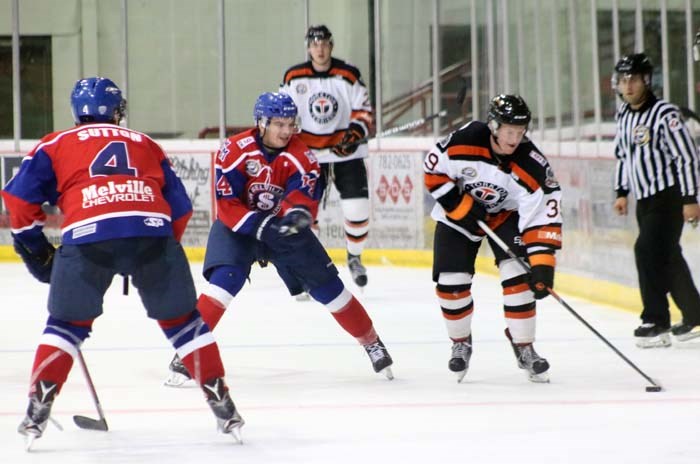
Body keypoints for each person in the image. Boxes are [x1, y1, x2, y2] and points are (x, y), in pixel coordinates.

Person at [1, 77, 244, 449]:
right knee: (186, 325)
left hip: (88, 239)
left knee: (66, 325)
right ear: (117, 111)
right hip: (152, 234)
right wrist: (159, 252)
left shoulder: (56, 143)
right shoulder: (146, 143)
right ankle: (223, 405)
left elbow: (19, 202)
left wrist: (35, 248)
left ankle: (38, 408)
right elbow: (180, 208)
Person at [163, 92, 393, 387]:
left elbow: (303, 195)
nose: (286, 131)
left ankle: (371, 341)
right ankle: (188, 351)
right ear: (261, 122)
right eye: (279, 124)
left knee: (329, 289)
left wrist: (297, 213)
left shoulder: (302, 156)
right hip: (240, 228)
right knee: (224, 282)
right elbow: (228, 205)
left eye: (290, 124)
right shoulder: (234, 150)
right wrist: (262, 226)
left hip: (283, 229)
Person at [423, 94, 562, 383]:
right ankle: (461, 342)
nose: (515, 138)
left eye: (521, 132)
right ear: (494, 126)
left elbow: (541, 216)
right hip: (459, 215)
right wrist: (461, 207)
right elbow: (433, 171)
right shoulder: (465, 141)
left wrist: (542, 264)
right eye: (510, 131)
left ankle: (524, 346)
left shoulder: (532, 163)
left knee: (519, 278)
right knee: (451, 283)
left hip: (505, 216)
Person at [611, 53, 700, 348]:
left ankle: (655, 320)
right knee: (667, 256)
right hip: (644, 199)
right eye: (624, 80)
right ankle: (695, 316)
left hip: (669, 196)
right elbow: (624, 155)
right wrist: (621, 192)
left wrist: (690, 198)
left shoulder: (665, 115)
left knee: (645, 250)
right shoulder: (623, 115)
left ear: (647, 80)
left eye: (634, 79)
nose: (628, 85)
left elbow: (687, 157)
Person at [280, 25, 373, 288]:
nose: (319, 49)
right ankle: (309, 266)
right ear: (309, 47)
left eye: (324, 43)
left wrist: (354, 133)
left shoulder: (349, 74)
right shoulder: (293, 76)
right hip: (307, 155)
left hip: (346, 154)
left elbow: (363, 110)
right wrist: (290, 140)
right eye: (314, 44)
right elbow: (284, 112)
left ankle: (354, 257)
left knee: (358, 209)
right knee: (302, 214)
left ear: (331, 46)